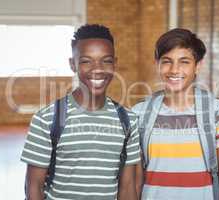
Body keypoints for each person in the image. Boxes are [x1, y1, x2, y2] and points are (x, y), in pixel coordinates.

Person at [21, 24, 140, 200]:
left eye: (106, 61)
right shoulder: (47, 119)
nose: (97, 69)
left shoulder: (128, 120)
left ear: (115, 63)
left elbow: (128, 187)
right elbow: (33, 187)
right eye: (86, 61)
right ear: (72, 64)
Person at [132, 28, 219, 200]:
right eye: (167, 61)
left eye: (184, 62)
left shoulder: (218, 112)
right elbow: (135, 184)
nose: (174, 70)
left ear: (198, 66)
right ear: (157, 64)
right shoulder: (139, 113)